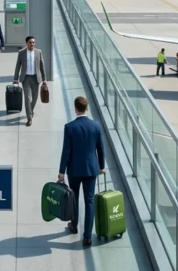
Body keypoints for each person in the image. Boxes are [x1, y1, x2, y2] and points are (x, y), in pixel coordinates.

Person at [58, 96, 106, 247]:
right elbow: (101, 149)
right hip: (91, 170)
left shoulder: (70, 127)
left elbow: (66, 151)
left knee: (74, 198)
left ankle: (74, 225)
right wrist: (101, 166)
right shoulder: (96, 126)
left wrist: (61, 171)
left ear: (75, 108)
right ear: (87, 107)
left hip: (74, 170)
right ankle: (87, 237)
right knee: (89, 201)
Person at [13, 35, 47, 127]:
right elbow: (17, 66)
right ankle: (29, 118)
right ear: (26, 43)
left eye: (33, 42)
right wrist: (15, 79)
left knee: (35, 98)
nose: (32, 44)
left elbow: (42, 65)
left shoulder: (38, 52)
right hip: (26, 78)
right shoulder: (22, 53)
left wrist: (44, 79)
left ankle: (30, 111)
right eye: (30, 42)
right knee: (27, 98)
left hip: (36, 78)